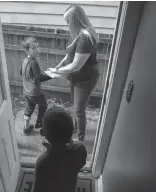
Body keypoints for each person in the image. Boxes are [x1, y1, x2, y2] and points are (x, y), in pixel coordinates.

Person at [47, 5, 100, 142]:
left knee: (79, 111)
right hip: (76, 77)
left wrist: (57, 72)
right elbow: (70, 54)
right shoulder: (77, 34)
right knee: (75, 105)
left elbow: (76, 65)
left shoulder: (85, 39)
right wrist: (59, 65)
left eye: (68, 21)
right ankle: (76, 128)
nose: (67, 24)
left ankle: (80, 140)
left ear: (75, 20)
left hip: (85, 79)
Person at [33, 107, 87, 192]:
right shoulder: (80, 148)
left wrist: (49, 152)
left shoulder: (42, 162)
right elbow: (81, 164)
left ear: (43, 133)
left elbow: (38, 188)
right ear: (72, 131)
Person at [20, 37, 53, 135]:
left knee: (29, 108)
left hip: (26, 91)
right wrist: (52, 75)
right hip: (35, 93)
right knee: (43, 105)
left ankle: (26, 128)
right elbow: (40, 78)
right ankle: (39, 123)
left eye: (37, 47)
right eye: (33, 48)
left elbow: (21, 72)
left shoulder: (25, 60)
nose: (37, 50)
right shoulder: (33, 62)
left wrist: (31, 77)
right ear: (27, 50)